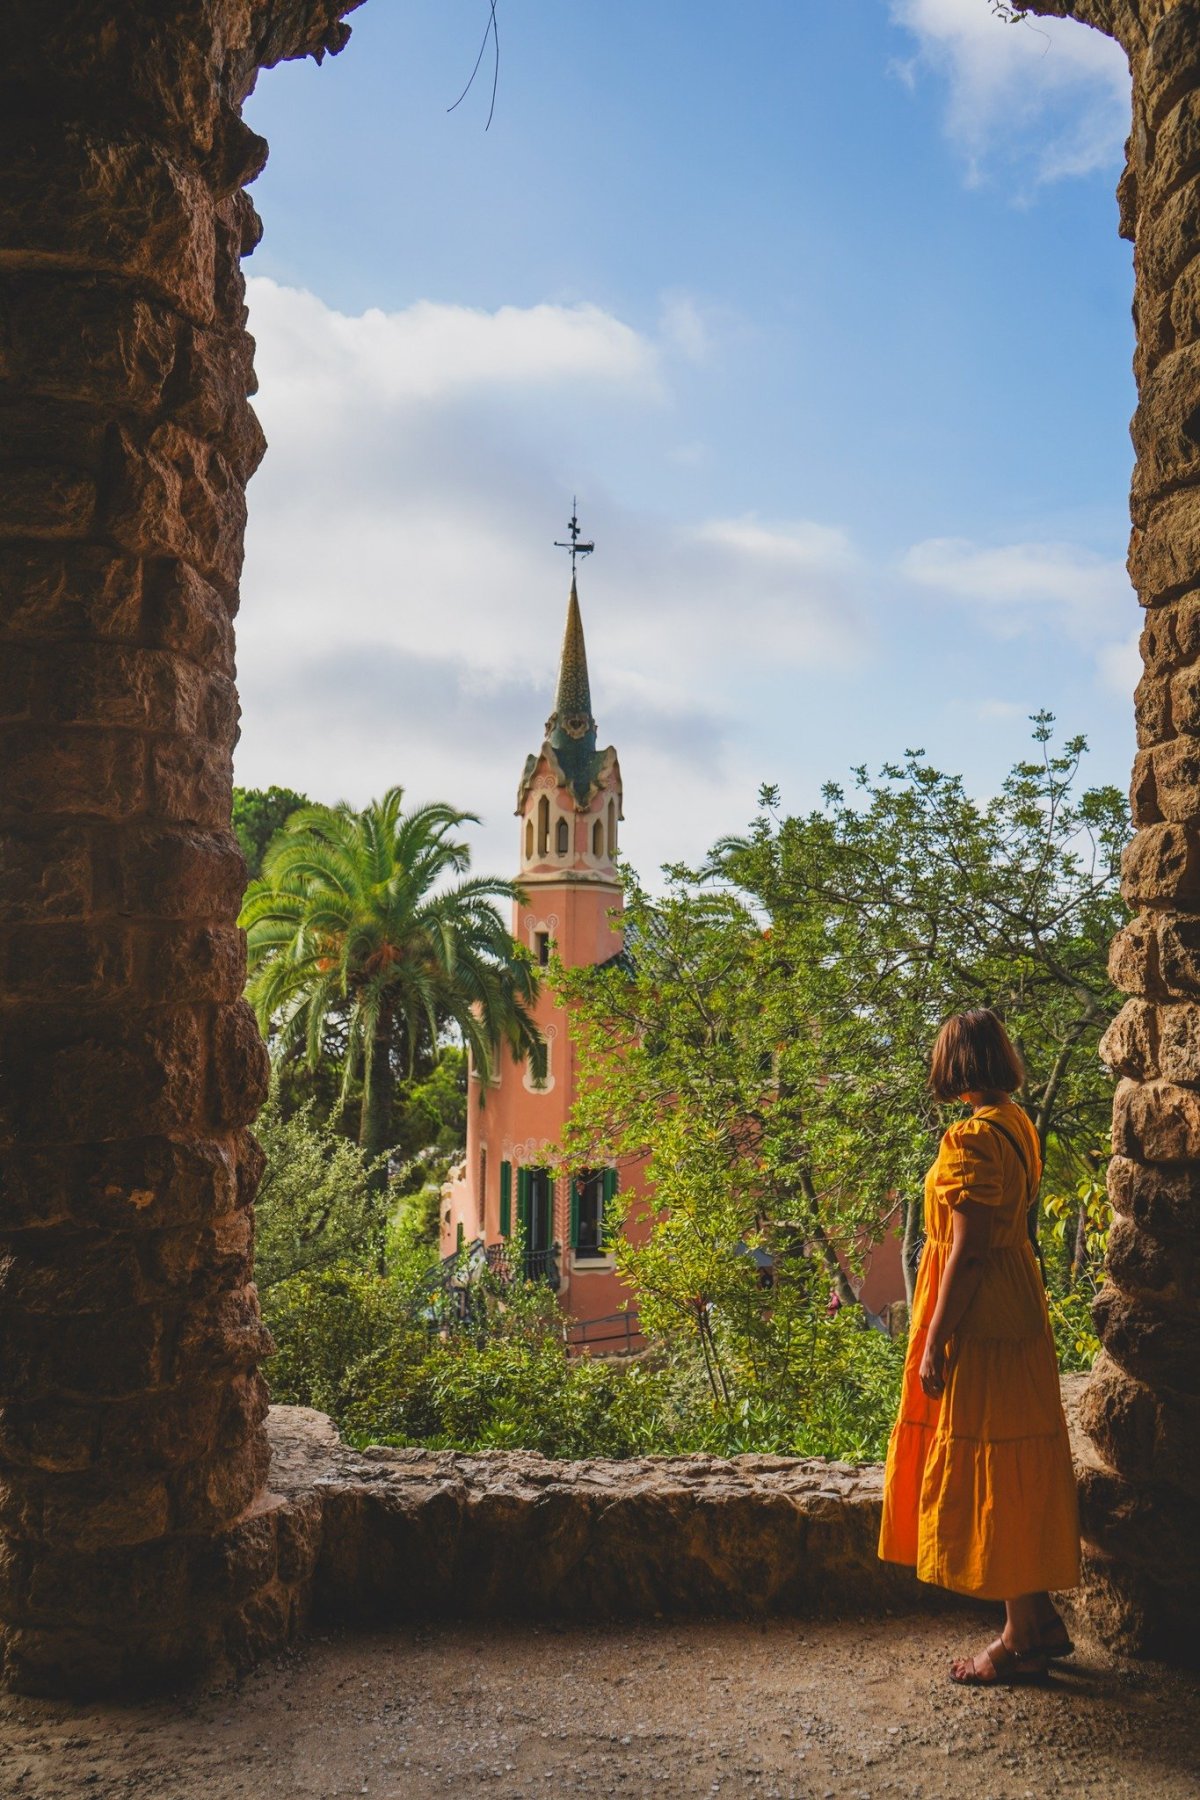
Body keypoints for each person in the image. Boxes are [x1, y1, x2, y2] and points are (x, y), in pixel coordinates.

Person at [878, 1008, 1080, 1684]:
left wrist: (935, 1340)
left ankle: (1019, 1637)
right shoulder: (1014, 1123)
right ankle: (1038, 1617)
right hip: (1018, 1308)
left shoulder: (971, 1139)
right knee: (1011, 1460)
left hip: (981, 1316)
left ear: (952, 1064)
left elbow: (966, 1253)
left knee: (990, 1466)